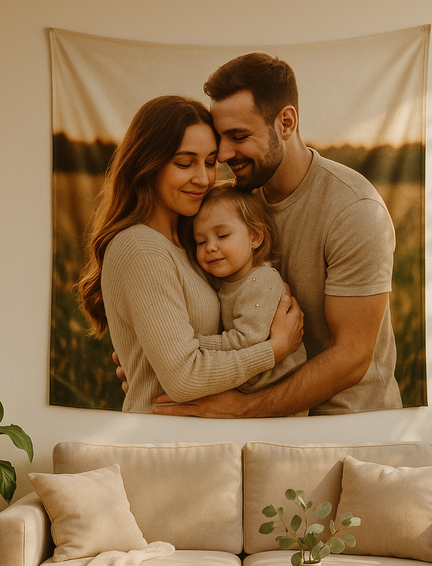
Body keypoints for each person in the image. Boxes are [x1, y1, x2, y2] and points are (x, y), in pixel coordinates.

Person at [149, 53, 403, 417]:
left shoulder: (354, 210)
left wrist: (244, 409)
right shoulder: (231, 205)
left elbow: (351, 358)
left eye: (238, 136)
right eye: (220, 137)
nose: (222, 153)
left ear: (286, 122)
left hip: (348, 426)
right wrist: (159, 359)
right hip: (265, 416)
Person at [77, 95, 303, 414]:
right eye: (185, 163)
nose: (203, 178)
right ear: (148, 163)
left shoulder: (188, 245)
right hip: (163, 444)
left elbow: (176, 356)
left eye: (210, 162)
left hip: (192, 442)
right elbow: (184, 378)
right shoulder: (141, 247)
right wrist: (275, 350)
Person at [191, 181, 308, 410]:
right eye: (201, 241)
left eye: (222, 235)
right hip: (249, 387)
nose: (210, 247)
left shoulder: (262, 280)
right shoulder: (222, 282)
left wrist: (193, 343)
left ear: (255, 237)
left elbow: (246, 340)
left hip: (278, 397)